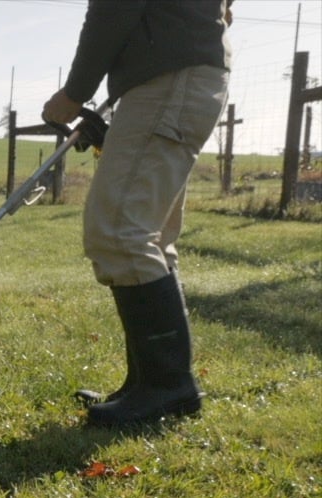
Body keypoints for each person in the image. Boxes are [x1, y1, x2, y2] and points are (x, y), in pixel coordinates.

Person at [43, 0, 232, 427]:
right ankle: (149, 383)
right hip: (181, 72)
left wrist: (74, 93)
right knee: (150, 235)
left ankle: (168, 387)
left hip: (170, 76)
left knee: (119, 232)